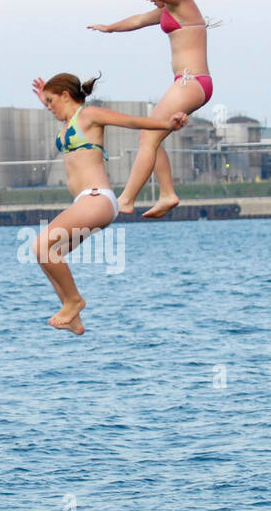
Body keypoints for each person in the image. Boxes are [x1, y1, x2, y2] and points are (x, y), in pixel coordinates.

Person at [31, 72, 188, 334]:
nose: (49, 108)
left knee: (41, 244)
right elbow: (58, 105)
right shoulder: (69, 122)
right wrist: (46, 95)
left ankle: (74, 301)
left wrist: (168, 124)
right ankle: (74, 319)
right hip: (85, 201)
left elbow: (131, 121)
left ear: (66, 96)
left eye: (51, 102)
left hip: (97, 198)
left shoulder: (89, 116)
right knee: (45, 253)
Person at [88, 0, 215, 218]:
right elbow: (138, 20)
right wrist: (109, 28)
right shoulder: (171, 9)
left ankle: (126, 199)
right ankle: (167, 194)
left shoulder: (182, 0)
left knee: (148, 134)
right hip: (188, 82)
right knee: (150, 136)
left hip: (192, 81)